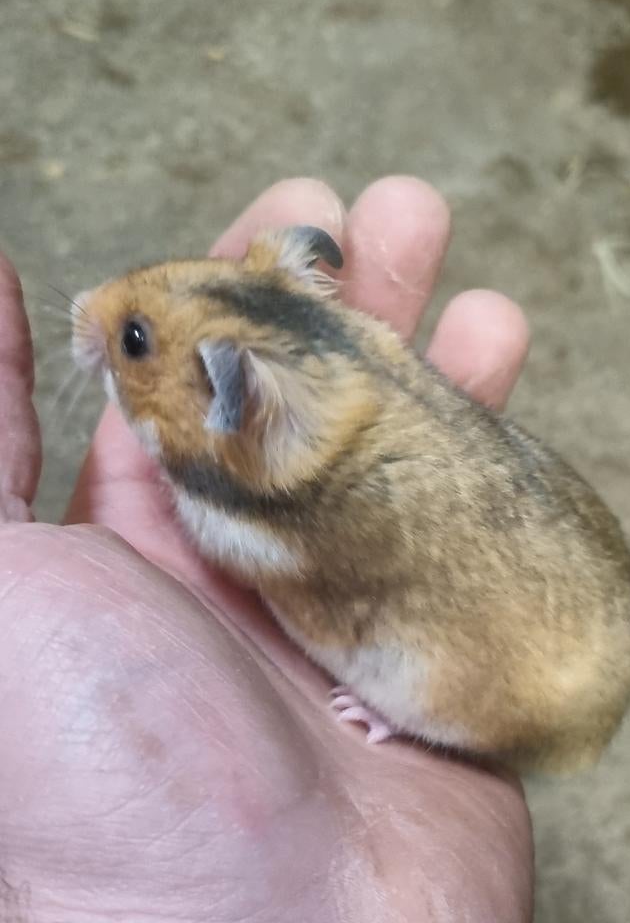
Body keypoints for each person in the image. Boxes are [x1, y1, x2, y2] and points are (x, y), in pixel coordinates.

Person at [0, 176, 534, 922]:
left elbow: (266, 548)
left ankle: (419, 714)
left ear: (227, 405)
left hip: (487, 662)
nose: (94, 312)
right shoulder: (300, 409)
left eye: (134, 341)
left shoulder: (267, 504)